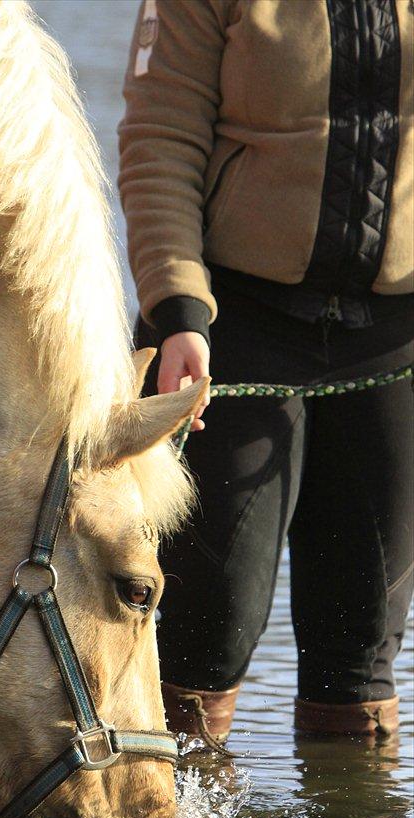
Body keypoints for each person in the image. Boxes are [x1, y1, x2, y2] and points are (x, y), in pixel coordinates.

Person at [118, 0, 413, 740]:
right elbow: (159, 140)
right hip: (229, 328)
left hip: (394, 338)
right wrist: (178, 309)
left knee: (360, 650)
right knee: (206, 630)